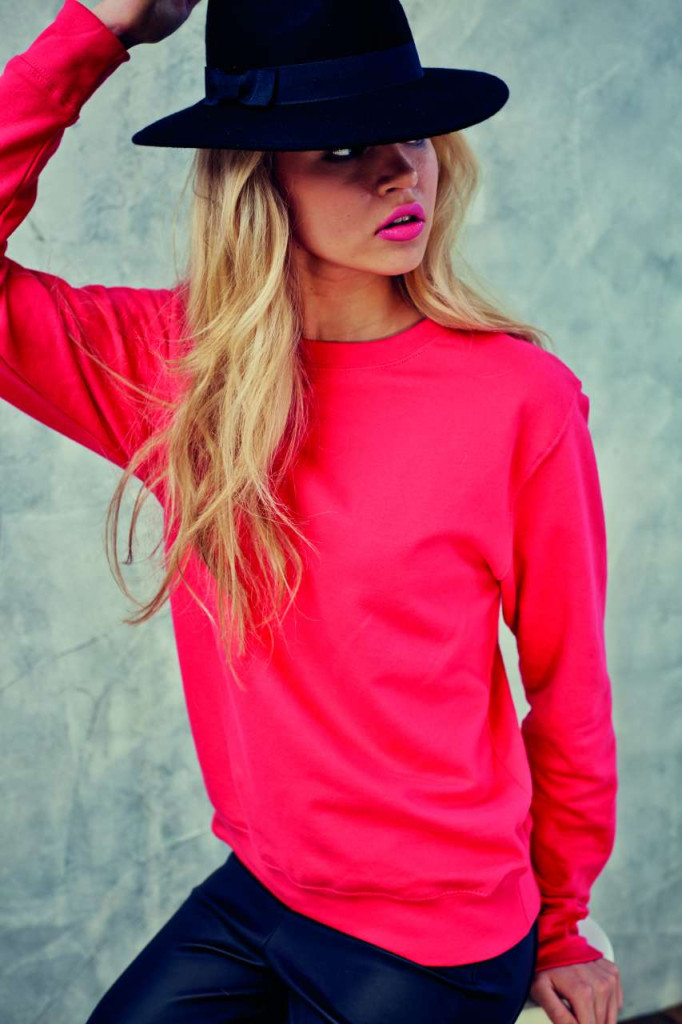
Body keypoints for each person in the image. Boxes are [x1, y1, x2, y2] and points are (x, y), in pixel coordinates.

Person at [0, 0, 624, 1021]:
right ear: (258, 182)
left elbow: (569, 687)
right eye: (341, 147)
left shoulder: (520, 400)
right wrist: (97, 27)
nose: (399, 170)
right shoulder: (176, 374)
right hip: (261, 891)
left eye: (411, 133)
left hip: (435, 931)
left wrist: (562, 923)